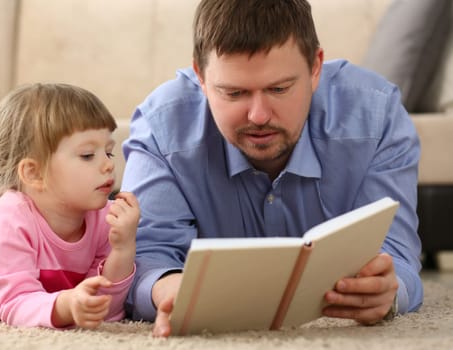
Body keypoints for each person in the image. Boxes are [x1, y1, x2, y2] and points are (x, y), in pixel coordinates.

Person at [121, 0, 423, 337]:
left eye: (279, 89)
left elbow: (397, 254)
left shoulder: (377, 116)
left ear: (315, 68)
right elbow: (144, 257)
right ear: (201, 77)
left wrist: (387, 290)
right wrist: (167, 290)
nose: (259, 115)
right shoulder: (160, 130)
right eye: (234, 93)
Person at [0, 83, 140, 329]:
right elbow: (17, 305)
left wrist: (123, 248)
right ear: (34, 173)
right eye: (87, 155)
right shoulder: (7, 222)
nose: (108, 166)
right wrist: (66, 304)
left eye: (109, 152)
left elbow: (105, 310)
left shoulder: (104, 218)